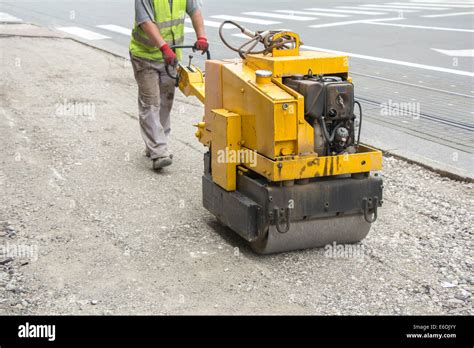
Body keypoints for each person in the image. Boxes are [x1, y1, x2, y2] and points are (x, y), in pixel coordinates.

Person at [130, 0, 208, 169]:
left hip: (170, 57)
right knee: (151, 102)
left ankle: (156, 144)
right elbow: (145, 22)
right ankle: (159, 151)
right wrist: (163, 47)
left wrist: (201, 36)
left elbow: (195, 11)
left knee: (166, 102)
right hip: (145, 56)